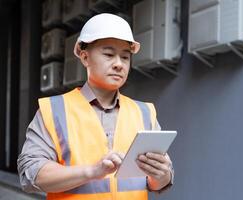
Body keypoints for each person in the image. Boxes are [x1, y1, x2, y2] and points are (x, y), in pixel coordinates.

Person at [17, 13, 173, 200]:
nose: (118, 64)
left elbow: (155, 182)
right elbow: (30, 173)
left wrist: (163, 176)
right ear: (84, 57)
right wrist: (92, 171)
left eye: (125, 57)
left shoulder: (144, 112)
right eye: (108, 54)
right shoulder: (54, 111)